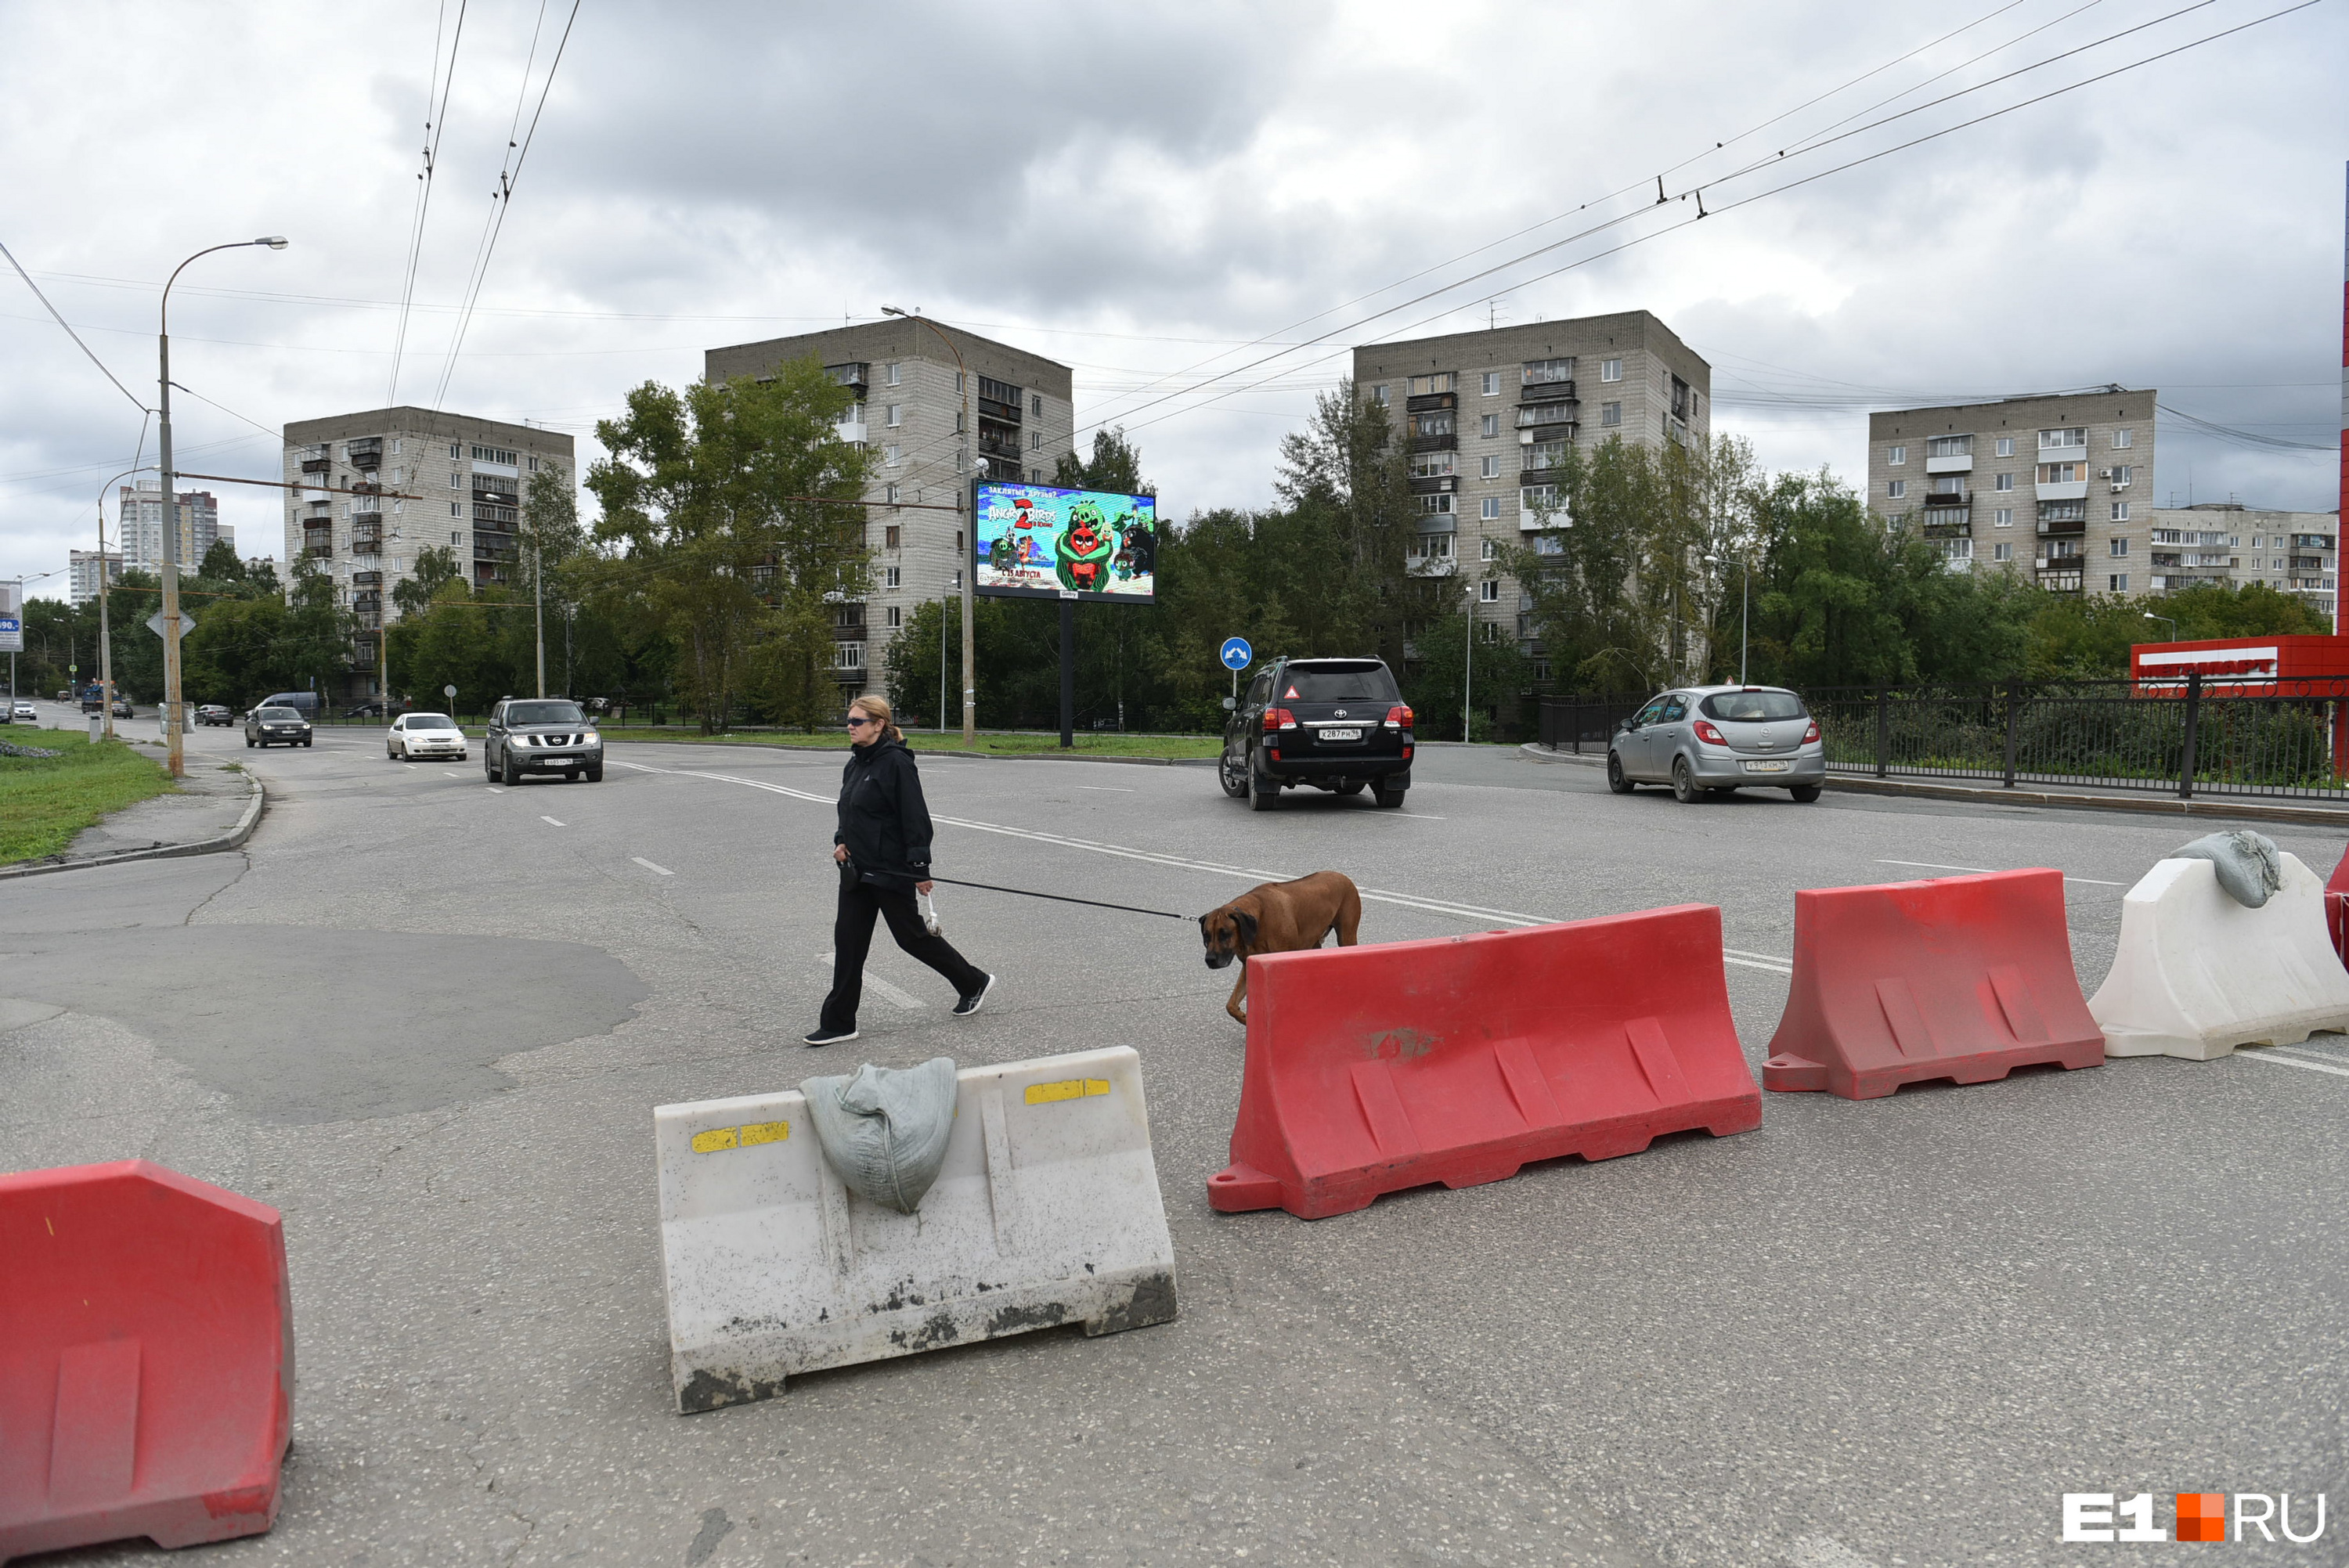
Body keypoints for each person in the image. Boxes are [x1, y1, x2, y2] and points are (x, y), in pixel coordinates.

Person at [806, 694, 994, 1046]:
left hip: (891, 871)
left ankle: (973, 982)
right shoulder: (855, 763)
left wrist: (920, 868)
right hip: (856, 872)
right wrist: (841, 839)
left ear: (879, 725)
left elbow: (915, 818)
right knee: (848, 944)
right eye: (849, 720)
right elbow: (848, 809)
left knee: (912, 939)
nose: (850, 726)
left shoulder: (896, 764)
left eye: (857, 721)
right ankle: (839, 1023)